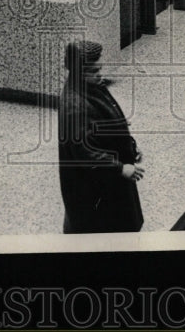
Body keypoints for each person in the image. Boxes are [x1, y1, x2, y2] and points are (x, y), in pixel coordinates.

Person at [58, 40, 144, 233]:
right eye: (95, 71)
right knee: (105, 229)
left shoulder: (88, 85)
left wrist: (129, 145)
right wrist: (120, 168)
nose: (100, 75)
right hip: (97, 185)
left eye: (100, 69)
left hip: (105, 178)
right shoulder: (75, 107)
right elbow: (85, 152)